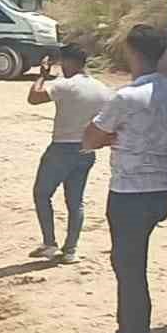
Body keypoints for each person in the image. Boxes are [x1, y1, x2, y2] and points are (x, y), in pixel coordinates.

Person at [82, 24, 167, 333]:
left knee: (131, 272)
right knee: (126, 267)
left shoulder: (126, 97)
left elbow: (90, 138)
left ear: (132, 53)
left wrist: (110, 137)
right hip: (163, 189)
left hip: (130, 193)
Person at [25, 43, 111, 264]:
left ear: (69, 61)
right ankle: (70, 249)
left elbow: (34, 98)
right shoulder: (103, 89)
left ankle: (50, 243)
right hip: (86, 149)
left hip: (62, 147)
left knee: (42, 193)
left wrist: (42, 76)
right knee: (76, 201)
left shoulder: (66, 85)